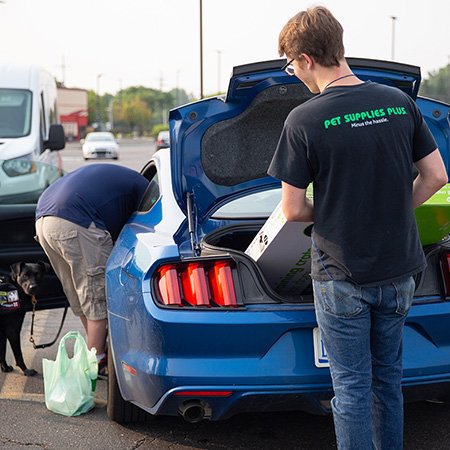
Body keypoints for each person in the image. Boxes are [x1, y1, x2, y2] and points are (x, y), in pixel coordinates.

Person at [267, 6, 448, 450]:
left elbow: (292, 209)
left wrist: (337, 211)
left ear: (306, 58)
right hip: (399, 272)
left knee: (350, 388)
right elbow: (436, 177)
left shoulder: (304, 119)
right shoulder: (399, 102)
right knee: (388, 381)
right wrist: (391, 208)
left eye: (291, 66)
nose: (294, 75)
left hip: (341, 275)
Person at [35, 164, 148, 378]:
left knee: (78, 291)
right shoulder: (146, 189)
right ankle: (95, 362)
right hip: (76, 220)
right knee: (96, 296)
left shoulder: (125, 180)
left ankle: (94, 349)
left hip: (43, 219)